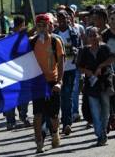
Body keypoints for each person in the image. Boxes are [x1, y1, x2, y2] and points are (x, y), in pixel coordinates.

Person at [77, 27, 115, 146]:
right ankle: (100, 134)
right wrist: (87, 71)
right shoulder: (84, 51)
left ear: (99, 36)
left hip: (104, 82)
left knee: (105, 107)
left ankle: (103, 131)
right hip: (91, 84)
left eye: (95, 35)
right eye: (91, 36)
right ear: (87, 38)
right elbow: (79, 67)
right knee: (94, 109)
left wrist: (101, 66)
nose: (93, 38)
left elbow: (113, 58)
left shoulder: (105, 47)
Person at [31, 14, 64, 153]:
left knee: (53, 115)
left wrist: (60, 82)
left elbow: (61, 62)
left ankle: (55, 133)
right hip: (37, 83)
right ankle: (39, 142)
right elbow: (15, 50)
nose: (42, 28)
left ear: (49, 26)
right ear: (36, 27)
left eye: (45, 25)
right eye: (39, 25)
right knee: (37, 115)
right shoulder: (31, 42)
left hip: (52, 81)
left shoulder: (55, 41)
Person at [53, 10, 81, 136]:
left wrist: (76, 52)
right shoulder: (55, 34)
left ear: (68, 19)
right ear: (57, 20)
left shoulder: (74, 32)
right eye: (60, 18)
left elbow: (80, 47)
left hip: (70, 69)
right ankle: (55, 124)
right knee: (57, 98)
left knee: (67, 97)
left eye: (64, 18)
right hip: (57, 70)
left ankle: (67, 124)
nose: (62, 21)